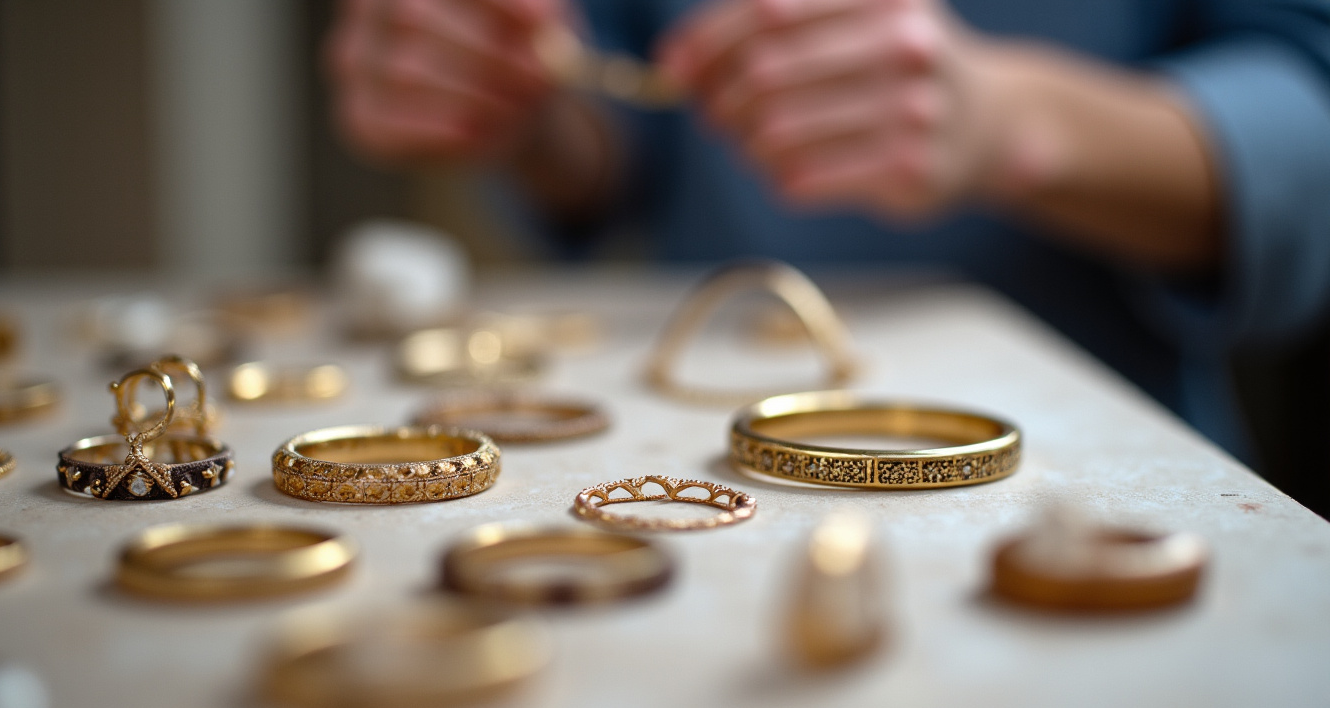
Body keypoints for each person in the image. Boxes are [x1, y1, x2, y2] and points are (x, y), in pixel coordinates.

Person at [326, 0, 1330, 458]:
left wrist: (1012, 124)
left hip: (1110, 460)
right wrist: (519, 100)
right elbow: (628, 111)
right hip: (680, 425)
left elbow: (1305, 118)